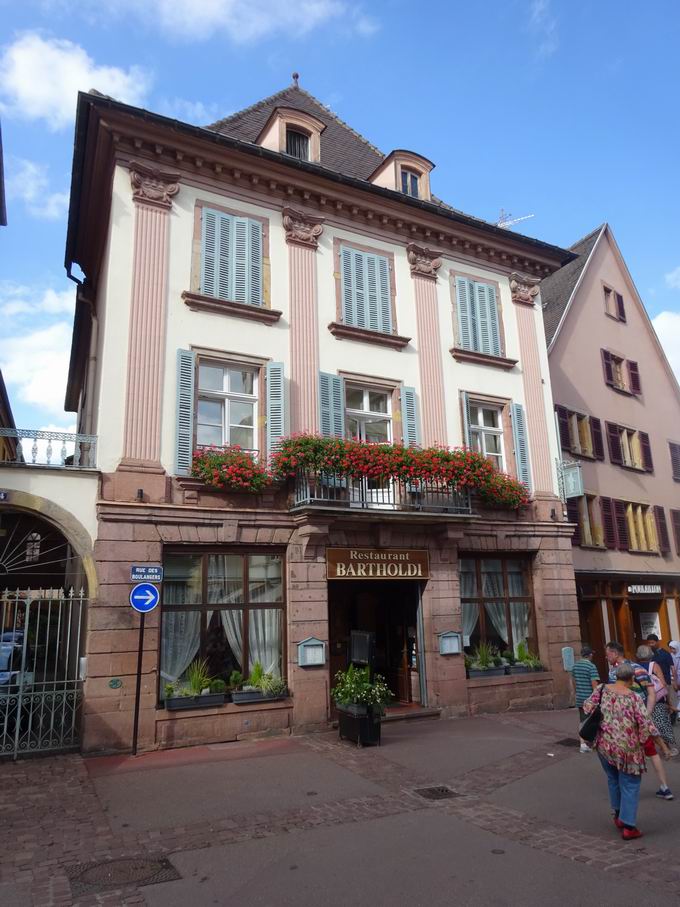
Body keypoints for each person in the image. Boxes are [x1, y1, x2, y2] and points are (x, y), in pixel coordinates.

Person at [584, 662, 667, 840]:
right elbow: (646, 723)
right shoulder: (634, 697)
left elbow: (587, 706)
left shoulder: (601, 689)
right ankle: (629, 825)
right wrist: (661, 744)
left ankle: (619, 814)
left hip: (604, 745)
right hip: (628, 748)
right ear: (631, 678)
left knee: (613, 778)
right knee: (630, 784)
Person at [604, 640, 673, 796]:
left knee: (624, 753)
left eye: (607, 654)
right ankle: (664, 787)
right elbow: (651, 693)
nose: (606, 657)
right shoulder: (637, 668)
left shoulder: (616, 673)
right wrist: (645, 714)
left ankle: (627, 790)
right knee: (651, 751)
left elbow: (613, 696)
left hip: (623, 722)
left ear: (615, 653)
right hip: (639, 718)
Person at [637, 644, 678, 759]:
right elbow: (663, 684)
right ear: (650, 654)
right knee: (662, 723)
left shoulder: (635, 666)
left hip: (642, 699)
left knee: (647, 724)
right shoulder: (653, 665)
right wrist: (669, 701)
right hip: (657, 699)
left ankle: (649, 750)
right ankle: (667, 748)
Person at [571, 646, 600, 752]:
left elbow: (573, 682)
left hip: (579, 697)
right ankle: (593, 742)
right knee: (594, 720)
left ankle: (582, 744)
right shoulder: (591, 667)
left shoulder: (575, 666)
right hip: (589, 698)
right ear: (590, 655)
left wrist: (576, 692)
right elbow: (594, 684)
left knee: (582, 720)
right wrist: (597, 698)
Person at [669, 640, 680, 723]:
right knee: (677, 695)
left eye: (673, 648)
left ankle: (678, 714)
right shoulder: (671, 656)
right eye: (671, 648)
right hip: (675, 677)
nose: (672, 650)